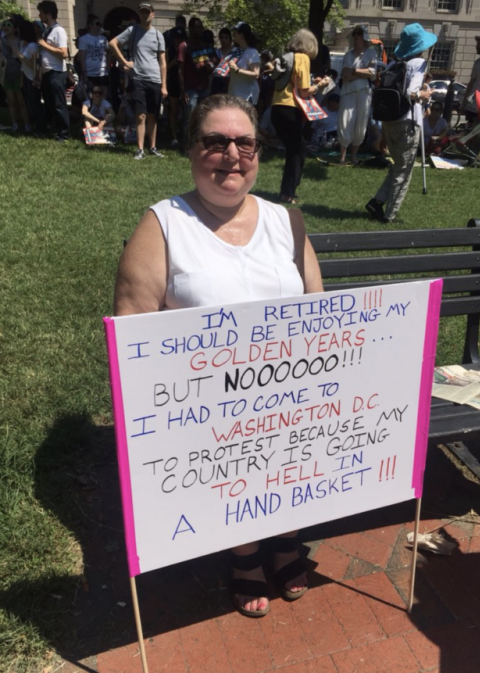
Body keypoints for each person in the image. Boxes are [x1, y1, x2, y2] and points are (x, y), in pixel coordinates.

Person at [113, 94, 323, 618]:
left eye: (245, 142)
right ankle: (245, 553)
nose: (232, 153)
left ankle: (284, 541)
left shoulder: (286, 222)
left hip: (289, 397)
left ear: (258, 153)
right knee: (237, 467)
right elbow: (132, 330)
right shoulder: (163, 225)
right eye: (216, 141)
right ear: (191, 151)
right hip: (205, 410)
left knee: (291, 462)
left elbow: (322, 317)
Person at [365, 23, 436, 223]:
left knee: (398, 167)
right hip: (408, 123)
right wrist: (425, 94)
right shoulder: (418, 64)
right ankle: (390, 214)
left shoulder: (393, 64)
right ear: (420, 46)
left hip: (390, 121)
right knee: (404, 171)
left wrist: (384, 136)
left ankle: (377, 202)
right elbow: (410, 93)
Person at [269, 28, 330, 204]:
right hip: (290, 109)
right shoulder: (302, 58)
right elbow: (304, 92)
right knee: (297, 151)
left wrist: (313, 84)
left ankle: (287, 191)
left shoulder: (286, 57)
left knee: (296, 149)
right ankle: (287, 193)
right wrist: (321, 85)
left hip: (277, 108)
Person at [110, 1, 167, 160]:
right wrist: (124, 62)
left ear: (152, 14)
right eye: (142, 12)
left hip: (155, 79)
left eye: (147, 12)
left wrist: (164, 86)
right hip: (138, 79)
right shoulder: (132, 30)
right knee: (140, 115)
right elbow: (113, 43)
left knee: (152, 116)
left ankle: (153, 147)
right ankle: (140, 149)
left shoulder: (158, 35)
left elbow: (163, 62)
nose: (144, 14)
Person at [337, 25, 377, 165]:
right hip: (348, 92)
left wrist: (353, 71)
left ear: (364, 37)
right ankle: (342, 156)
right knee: (345, 120)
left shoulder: (371, 53)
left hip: (364, 92)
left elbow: (372, 74)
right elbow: (345, 75)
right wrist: (361, 73)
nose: (356, 37)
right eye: (354, 34)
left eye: (359, 34)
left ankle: (353, 156)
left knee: (361, 122)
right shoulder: (348, 55)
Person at [178, 16, 218, 145]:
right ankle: (186, 145)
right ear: (190, 28)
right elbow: (180, 70)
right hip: (190, 89)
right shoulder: (184, 46)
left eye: (201, 27)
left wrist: (210, 67)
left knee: (203, 118)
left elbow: (212, 67)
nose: (199, 30)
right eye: (196, 27)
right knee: (189, 118)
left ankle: (200, 145)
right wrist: (183, 90)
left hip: (204, 87)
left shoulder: (205, 47)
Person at [37, 0, 71, 141]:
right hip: (47, 73)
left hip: (56, 73)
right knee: (50, 104)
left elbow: (63, 53)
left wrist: (44, 45)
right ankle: (56, 130)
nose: (39, 15)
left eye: (41, 12)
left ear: (49, 14)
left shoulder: (58, 30)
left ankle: (65, 133)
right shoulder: (47, 30)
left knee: (58, 104)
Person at [1, 16, 30, 132]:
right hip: (6, 74)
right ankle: (15, 124)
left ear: (15, 29)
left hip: (19, 74)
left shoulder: (21, 42)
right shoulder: (1, 42)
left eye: (8, 25)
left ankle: (27, 124)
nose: (5, 27)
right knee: (11, 101)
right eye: (4, 25)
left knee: (21, 101)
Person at [227, 22, 260, 105]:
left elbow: (256, 73)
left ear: (241, 34)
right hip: (233, 95)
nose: (233, 34)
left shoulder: (252, 52)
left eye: (235, 32)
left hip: (247, 96)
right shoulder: (235, 51)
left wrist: (237, 70)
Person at [78, 14, 110, 99]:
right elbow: (82, 57)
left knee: (103, 97)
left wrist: (107, 65)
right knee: (92, 98)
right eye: (97, 24)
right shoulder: (84, 39)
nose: (99, 26)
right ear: (90, 25)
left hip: (102, 72)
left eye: (100, 24)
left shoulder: (103, 39)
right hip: (90, 72)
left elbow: (108, 52)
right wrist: (84, 72)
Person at [166, 26, 185, 147]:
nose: (177, 41)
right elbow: (165, 68)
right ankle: (174, 137)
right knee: (174, 110)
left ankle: (184, 134)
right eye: (176, 39)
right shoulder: (169, 50)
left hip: (185, 83)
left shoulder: (186, 48)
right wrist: (174, 61)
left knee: (185, 110)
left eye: (180, 39)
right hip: (173, 83)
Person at [211, 27, 232, 95]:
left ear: (230, 39)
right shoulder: (216, 52)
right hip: (217, 80)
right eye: (222, 37)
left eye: (226, 37)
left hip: (230, 80)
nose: (223, 40)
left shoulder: (234, 53)